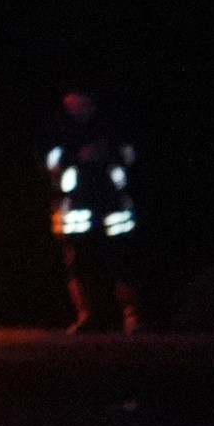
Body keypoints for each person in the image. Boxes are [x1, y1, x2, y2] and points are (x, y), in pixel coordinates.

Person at [43, 89, 142, 334]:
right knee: (78, 260)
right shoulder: (57, 126)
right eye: (72, 98)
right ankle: (87, 314)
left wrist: (109, 157)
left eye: (83, 97)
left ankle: (132, 315)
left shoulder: (112, 123)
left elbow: (130, 155)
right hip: (74, 205)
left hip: (112, 202)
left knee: (122, 258)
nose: (77, 103)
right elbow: (48, 161)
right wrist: (75, 157)